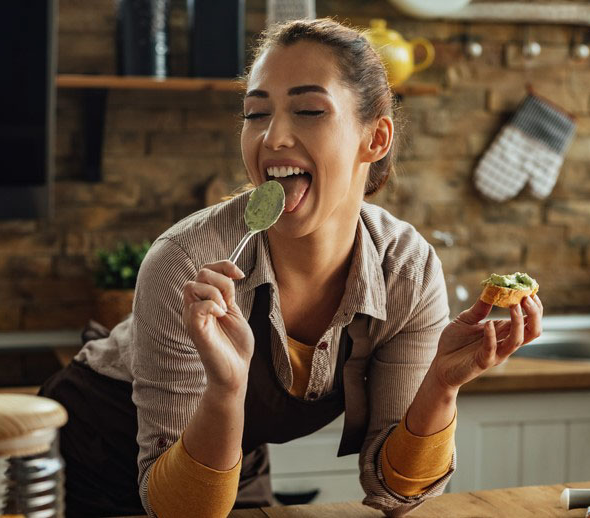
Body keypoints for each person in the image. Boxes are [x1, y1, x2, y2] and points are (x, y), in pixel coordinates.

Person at [40, 18, 544, 518]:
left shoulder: (405, 270)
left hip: (229, 447)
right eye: (255, 114)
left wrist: (441, 386)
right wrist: (224, 388)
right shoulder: (186, 263)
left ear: (376, 138)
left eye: (307, 110)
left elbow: (396, 493)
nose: (273, 137)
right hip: (93, 452)